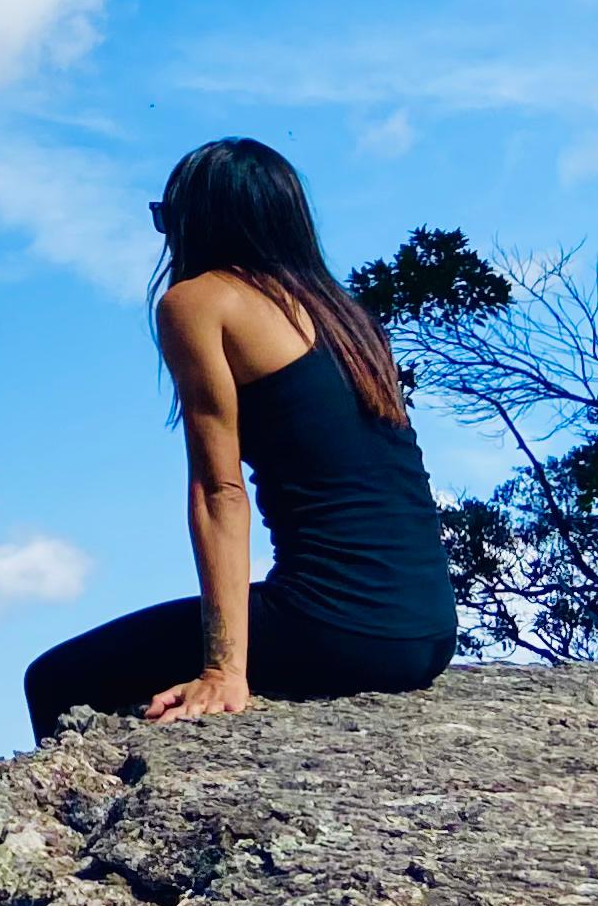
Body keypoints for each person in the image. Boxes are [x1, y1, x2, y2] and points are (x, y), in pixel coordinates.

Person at [23, 136, 454, 735]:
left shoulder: (200, 302)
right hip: (430, 633)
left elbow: (219, 492)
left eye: (165, 216)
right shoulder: (349, 317)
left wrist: (225, 670)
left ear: (195, 221)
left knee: (53, 679)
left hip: (341, 627)